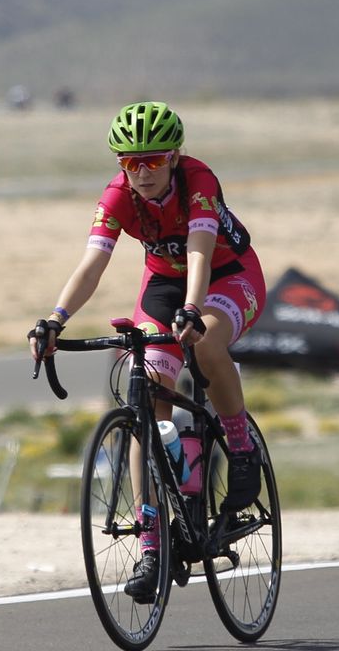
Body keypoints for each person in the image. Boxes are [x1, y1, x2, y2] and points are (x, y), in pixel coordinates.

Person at [29, 100, 267, 601]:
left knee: (205, 344)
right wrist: (55, 319)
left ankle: (240, 449)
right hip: (162, 285)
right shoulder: (118, 195)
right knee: (147, 400)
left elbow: (200, 249)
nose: (141, 173)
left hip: (227, 275)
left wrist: (193, 309)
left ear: (175, 157)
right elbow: (92, 263)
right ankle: (154, 543)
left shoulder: (199, 180)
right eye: (130, 163)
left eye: (153, 161)